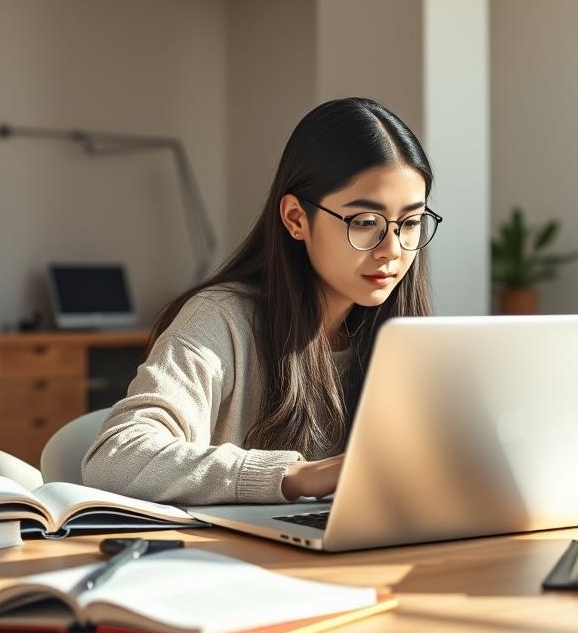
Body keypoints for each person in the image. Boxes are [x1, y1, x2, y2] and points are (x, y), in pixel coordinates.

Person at [81, 97, 441, 504]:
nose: (392, 249)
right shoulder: (220, 321)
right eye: (365, 222)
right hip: (229, 562)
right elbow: (115, 458)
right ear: (296, 219)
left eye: (410, 223)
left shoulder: (402, 336)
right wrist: (295, 476)